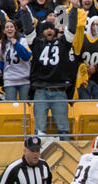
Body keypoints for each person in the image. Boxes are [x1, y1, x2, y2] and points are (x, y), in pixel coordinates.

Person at [20, 0, 81, 140]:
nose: (49, 30)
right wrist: (23, 9)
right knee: (39, 130)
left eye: (51, 28)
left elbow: (71, 29)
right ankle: (39, 157)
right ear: (42, 31)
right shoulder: (35, 44)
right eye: (46, 28)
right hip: (40, 90)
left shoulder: (64, 44)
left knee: (64, 130)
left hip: (59, 90)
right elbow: (28, 28)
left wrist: (75, 9)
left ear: (55, 31)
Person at [0, 20, 32, 100]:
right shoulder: (1, 45)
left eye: (11, 27)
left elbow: (27, 57)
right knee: (10, 105)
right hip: (9, 79)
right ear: (4, 31)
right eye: (7, 27)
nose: (9, 29)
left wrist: (16, 44)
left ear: (15, 29)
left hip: (24, 79)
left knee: (23, 106)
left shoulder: (23, 41)